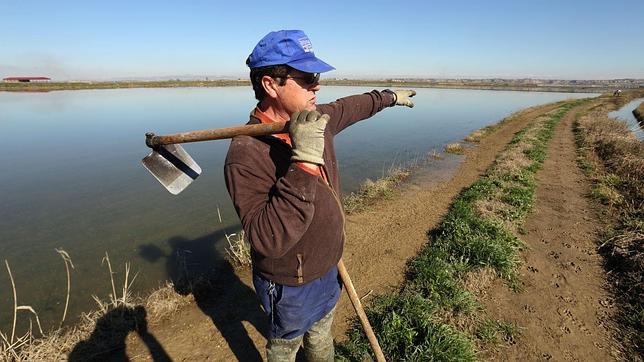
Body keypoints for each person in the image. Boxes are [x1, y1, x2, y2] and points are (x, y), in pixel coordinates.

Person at [224, 29, 415, 361]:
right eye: (307, 77)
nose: (317, 84)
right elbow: (267, 238)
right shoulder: (246, 153)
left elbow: (350, 107)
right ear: (271, 84)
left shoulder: (315, 121)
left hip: (330, 265)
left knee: (322, 333)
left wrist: (388, 97)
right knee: (286, 345)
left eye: (317, 75)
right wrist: (304, 162)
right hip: (291, 283)